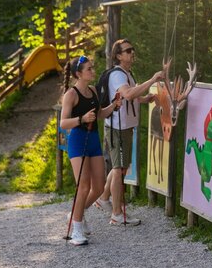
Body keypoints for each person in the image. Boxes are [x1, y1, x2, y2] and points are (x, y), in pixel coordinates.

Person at [96, 39, 161, 226]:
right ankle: (117, 214)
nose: (132, 52)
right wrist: (153, 80)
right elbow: (128, 94)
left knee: (120, 167)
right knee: (119, 170)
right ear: (118, 56)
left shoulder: (126, 74)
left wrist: (144, 99)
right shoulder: (118, 75)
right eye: (128, 50)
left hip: (124, 126)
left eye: (133, 49)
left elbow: (131, 96)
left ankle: (103, 198)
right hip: (118, 127)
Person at [58, 55, 121, 245]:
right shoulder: (71, 94)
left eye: (92, 68)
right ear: (79, 74)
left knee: (99, 187)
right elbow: (63, 123)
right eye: (89, 69)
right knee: (83, 185)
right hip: (78, 140)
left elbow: (100, 114)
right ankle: (76, 230)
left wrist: (114, 105)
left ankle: (75, 214)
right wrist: (82, 119)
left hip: (93, 140)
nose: (93, 71)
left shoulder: (92, 90)